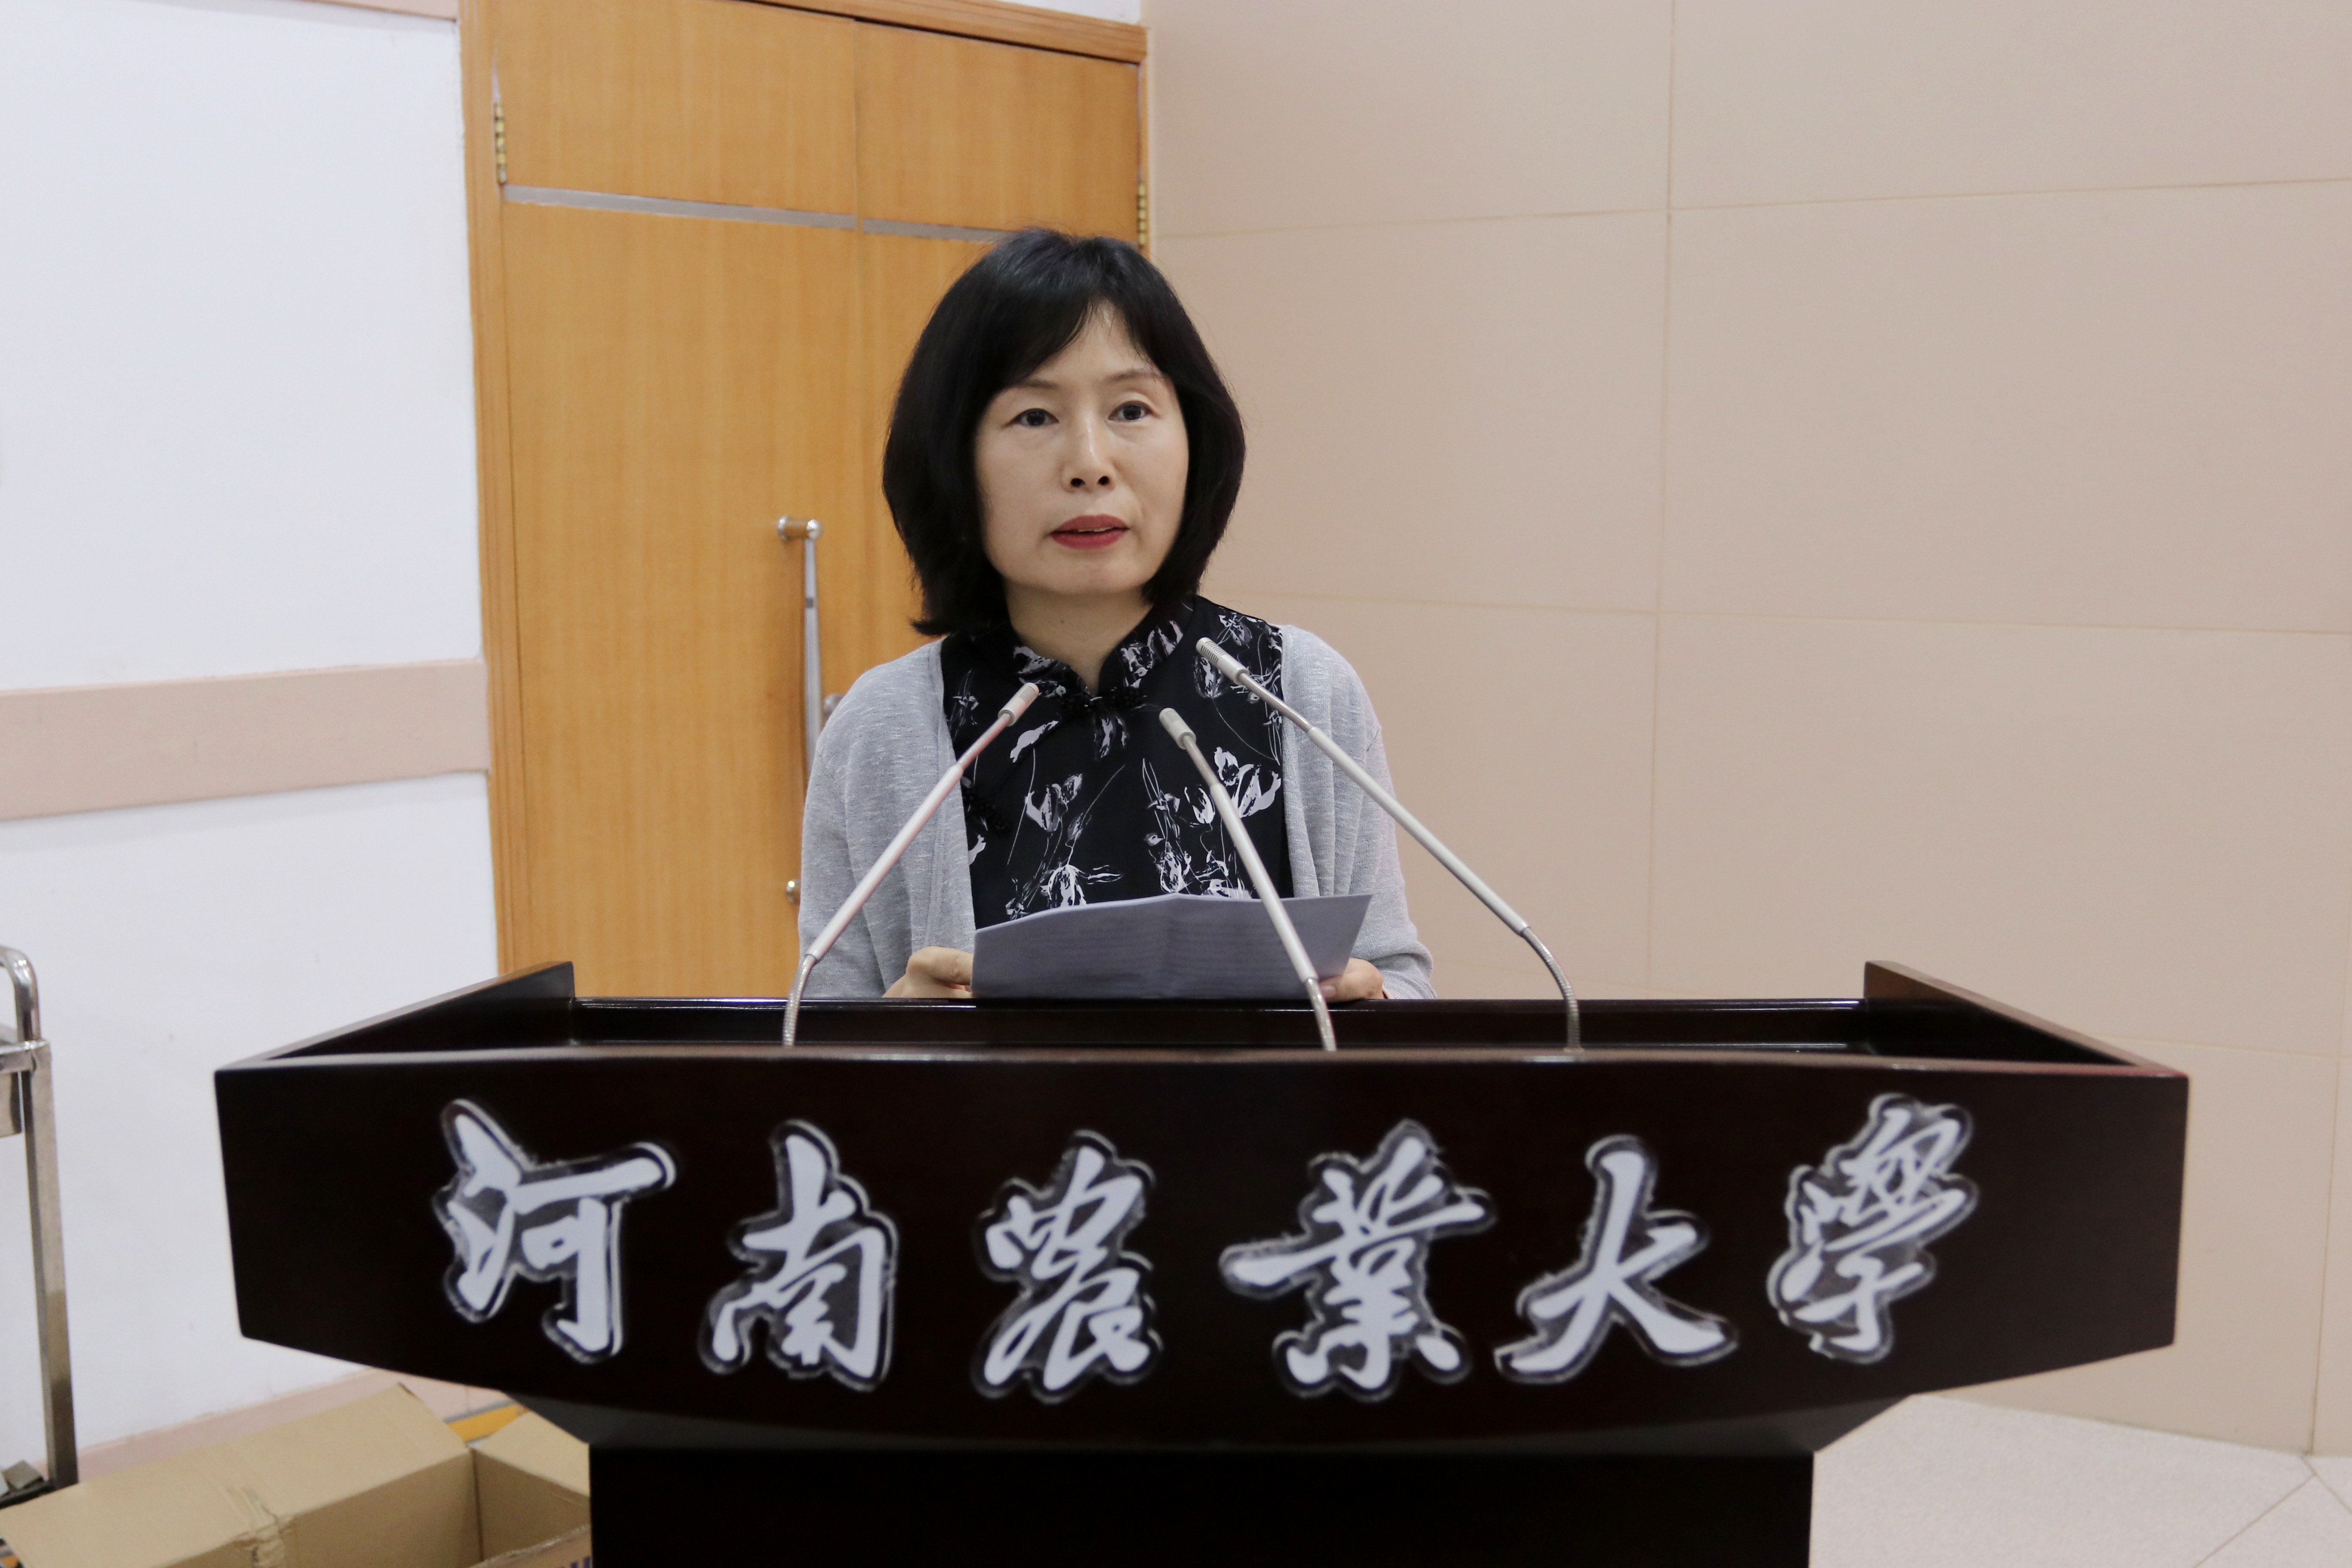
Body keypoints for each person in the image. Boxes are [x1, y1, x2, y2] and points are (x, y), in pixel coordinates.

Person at [798, 229, 1432, 1002]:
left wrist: (1372, 1003)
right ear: (952, 459)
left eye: (1131, 409)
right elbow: (818, 1033)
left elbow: (1398, 979)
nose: (1090, 464)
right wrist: (896, 1037)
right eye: (1034, 417)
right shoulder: (883, 726)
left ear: (1194, 439)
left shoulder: (1300, 691)